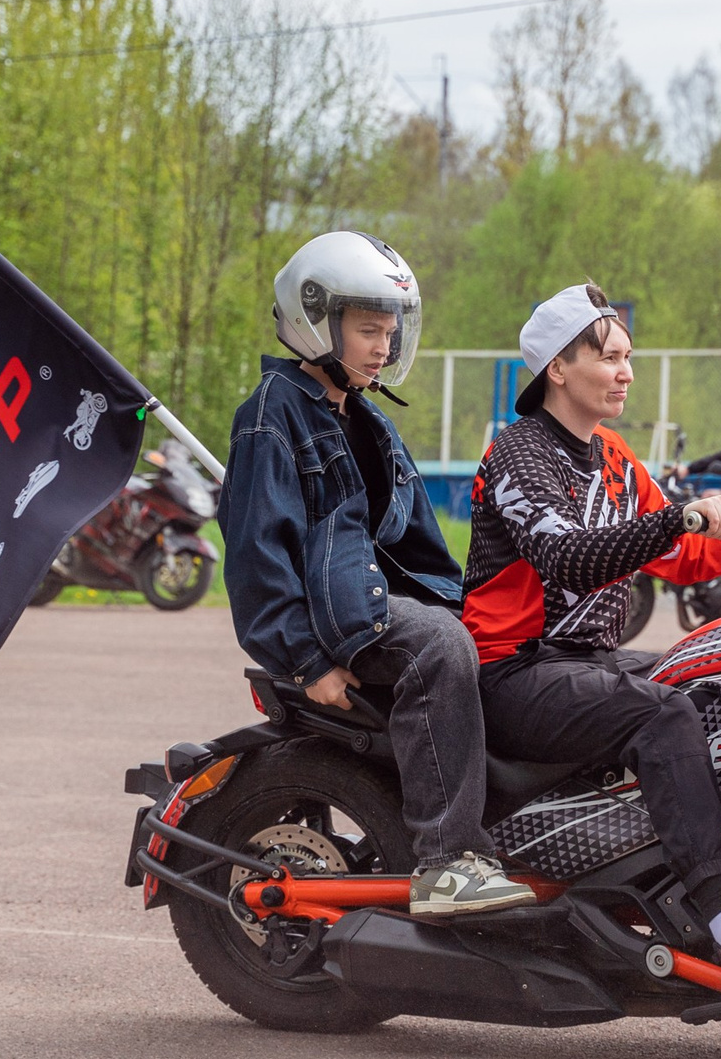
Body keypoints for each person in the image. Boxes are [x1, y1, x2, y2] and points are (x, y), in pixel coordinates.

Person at [465, 283, 721, 997]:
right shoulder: (517, 454)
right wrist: (677, 518)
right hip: (514, 673)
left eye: (628, 357)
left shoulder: (611, 455)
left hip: (587, 662)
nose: (626, 372)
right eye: (610, 358)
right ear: (557, 368)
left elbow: (685, 554)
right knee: (661, 714)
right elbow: (569, 557)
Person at [217, 231, 534, 918]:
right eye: (367, 330)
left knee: (501, 643)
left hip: (375, 601)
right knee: (438, 645)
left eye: (390, 332)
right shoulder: (271, 416)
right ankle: (448, 862)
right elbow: (255, 554)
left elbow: (420, 546)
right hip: (340, 619)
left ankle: (522, 833)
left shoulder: (367, 419)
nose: (383, 347)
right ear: (314, 321)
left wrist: (481, 608)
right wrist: (303, 658)